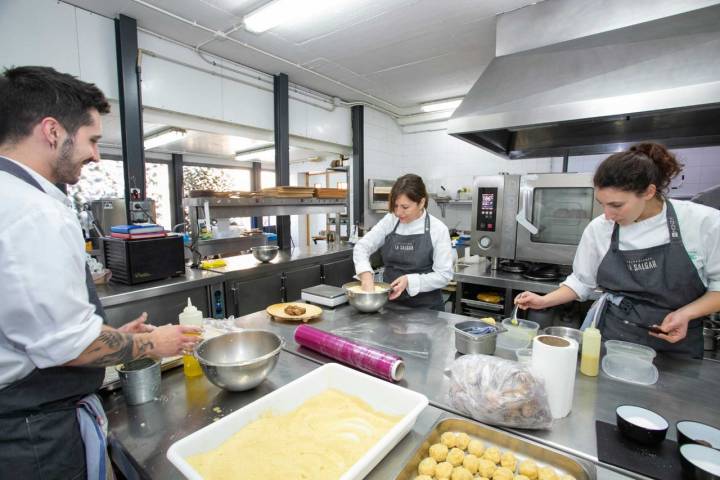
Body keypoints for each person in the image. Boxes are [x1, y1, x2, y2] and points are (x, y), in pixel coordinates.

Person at [0, 66, 202, 479]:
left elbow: (36, 325)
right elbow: (69, 346)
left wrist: (115, 338)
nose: (95, 155)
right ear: (53, 131)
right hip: (31, 432)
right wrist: (153, 344)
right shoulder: (32, 212)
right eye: (92, 140)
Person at [514, 143, 720, 358]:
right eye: (602, 204)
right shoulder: (599, 228)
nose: (608, 214)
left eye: (617, 205)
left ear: (649, 192)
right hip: (612, 337)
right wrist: (543, 300)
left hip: (676, 344)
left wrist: (687, 314)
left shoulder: (703, 223)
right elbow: (582, 282)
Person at [353, 173, 453, 310]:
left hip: (426, 310)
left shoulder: (438, 229)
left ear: (421, 202)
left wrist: (409, 281)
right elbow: (362, 247)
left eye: (405, 207)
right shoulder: (391, 220)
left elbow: (444, 275)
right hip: (390, 306)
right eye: (395, 206)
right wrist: (366, 275)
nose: (399, 212)